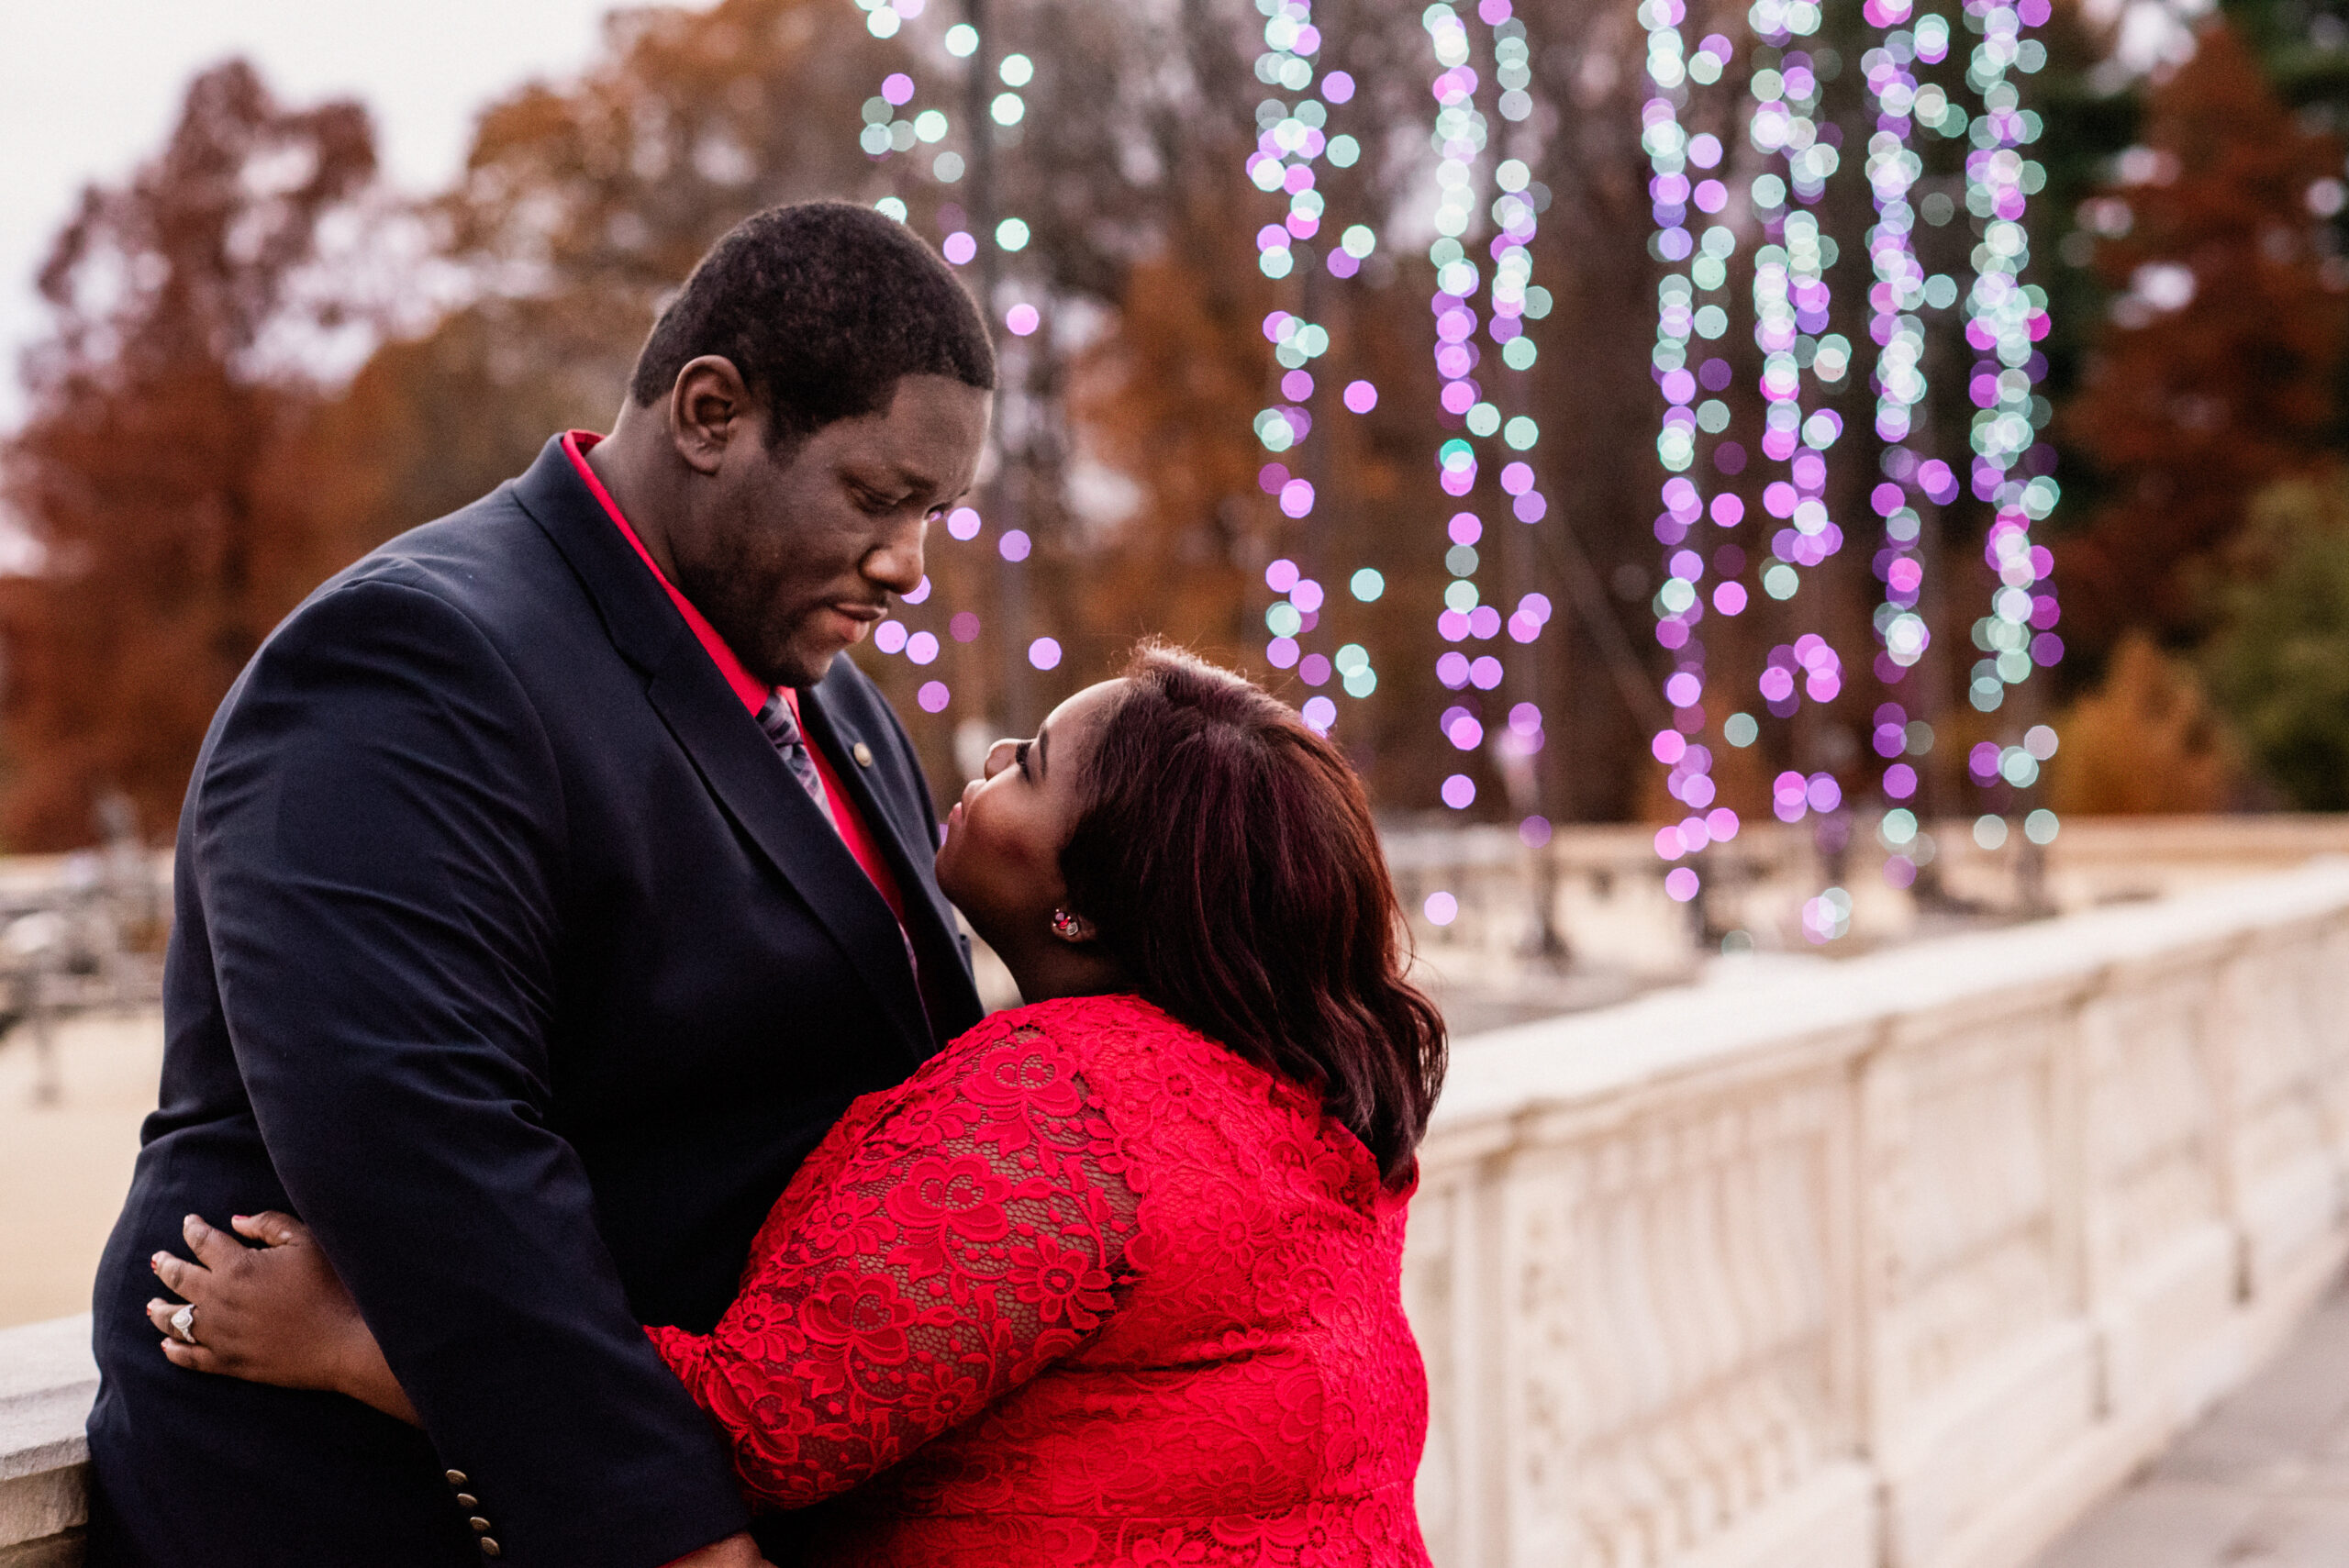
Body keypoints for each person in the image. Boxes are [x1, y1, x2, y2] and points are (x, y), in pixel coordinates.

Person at [89, 201, 994, 1568]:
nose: (909, 565)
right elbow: (439, 1163)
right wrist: (685, 1543)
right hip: (396, 1516)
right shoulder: (413, 660)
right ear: (710, 412)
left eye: (934, 513)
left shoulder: (839, 700)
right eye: (878, 498)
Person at [148, 645, 1448, 1566]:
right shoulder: (1295, 1096)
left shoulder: (1064, 1107)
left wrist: (354, 1344)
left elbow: (758, 1425)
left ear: (1085, 905)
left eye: (1031, 764)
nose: (988, 760)